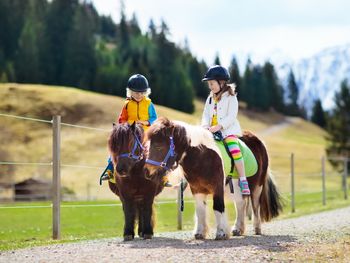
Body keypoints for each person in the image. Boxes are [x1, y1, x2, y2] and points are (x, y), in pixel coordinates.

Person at [100, 74, 172, 187]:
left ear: (146, 92)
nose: (139, 95)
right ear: (130, 92)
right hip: (130, 133)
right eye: (136, 93)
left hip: (146, 132)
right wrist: (126, 126)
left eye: (142, 93)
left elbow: (154, 118)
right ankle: (110, 171)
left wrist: (145, 122)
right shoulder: (127, 105)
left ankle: (163, 176)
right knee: (117, 148)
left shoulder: (149, 104)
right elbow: (122, 119)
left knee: (156, 150)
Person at [201, 65, 250, 195]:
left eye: (212, 83)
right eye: (209, 84)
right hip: (211, 130)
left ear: (221, 82)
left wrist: (220, 126)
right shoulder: (210, 98)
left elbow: (232, 116)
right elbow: (206, 114)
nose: (210, 86)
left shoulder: (231, 97)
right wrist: (205, 125)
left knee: (234, 148)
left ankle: (243, 179)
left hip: (227, 131)